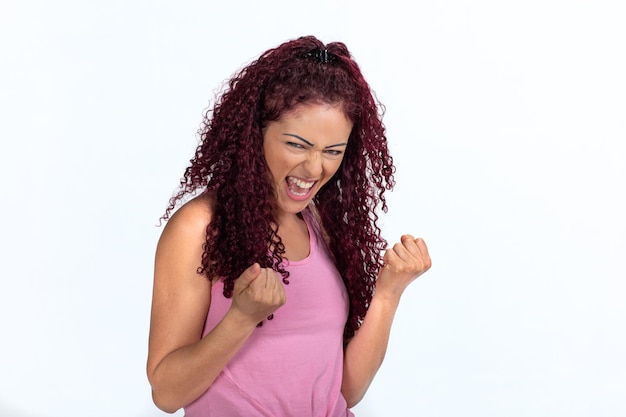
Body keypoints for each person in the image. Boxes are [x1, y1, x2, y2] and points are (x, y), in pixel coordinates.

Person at [147, 35, 431, 417]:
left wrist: (388, 293)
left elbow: (345, 391)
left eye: (333, 151)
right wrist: (241, 318)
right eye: (297, 145)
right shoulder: (199, 227)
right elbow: (166, 392)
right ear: (255, 134)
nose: (315, 169)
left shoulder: (319, 224)